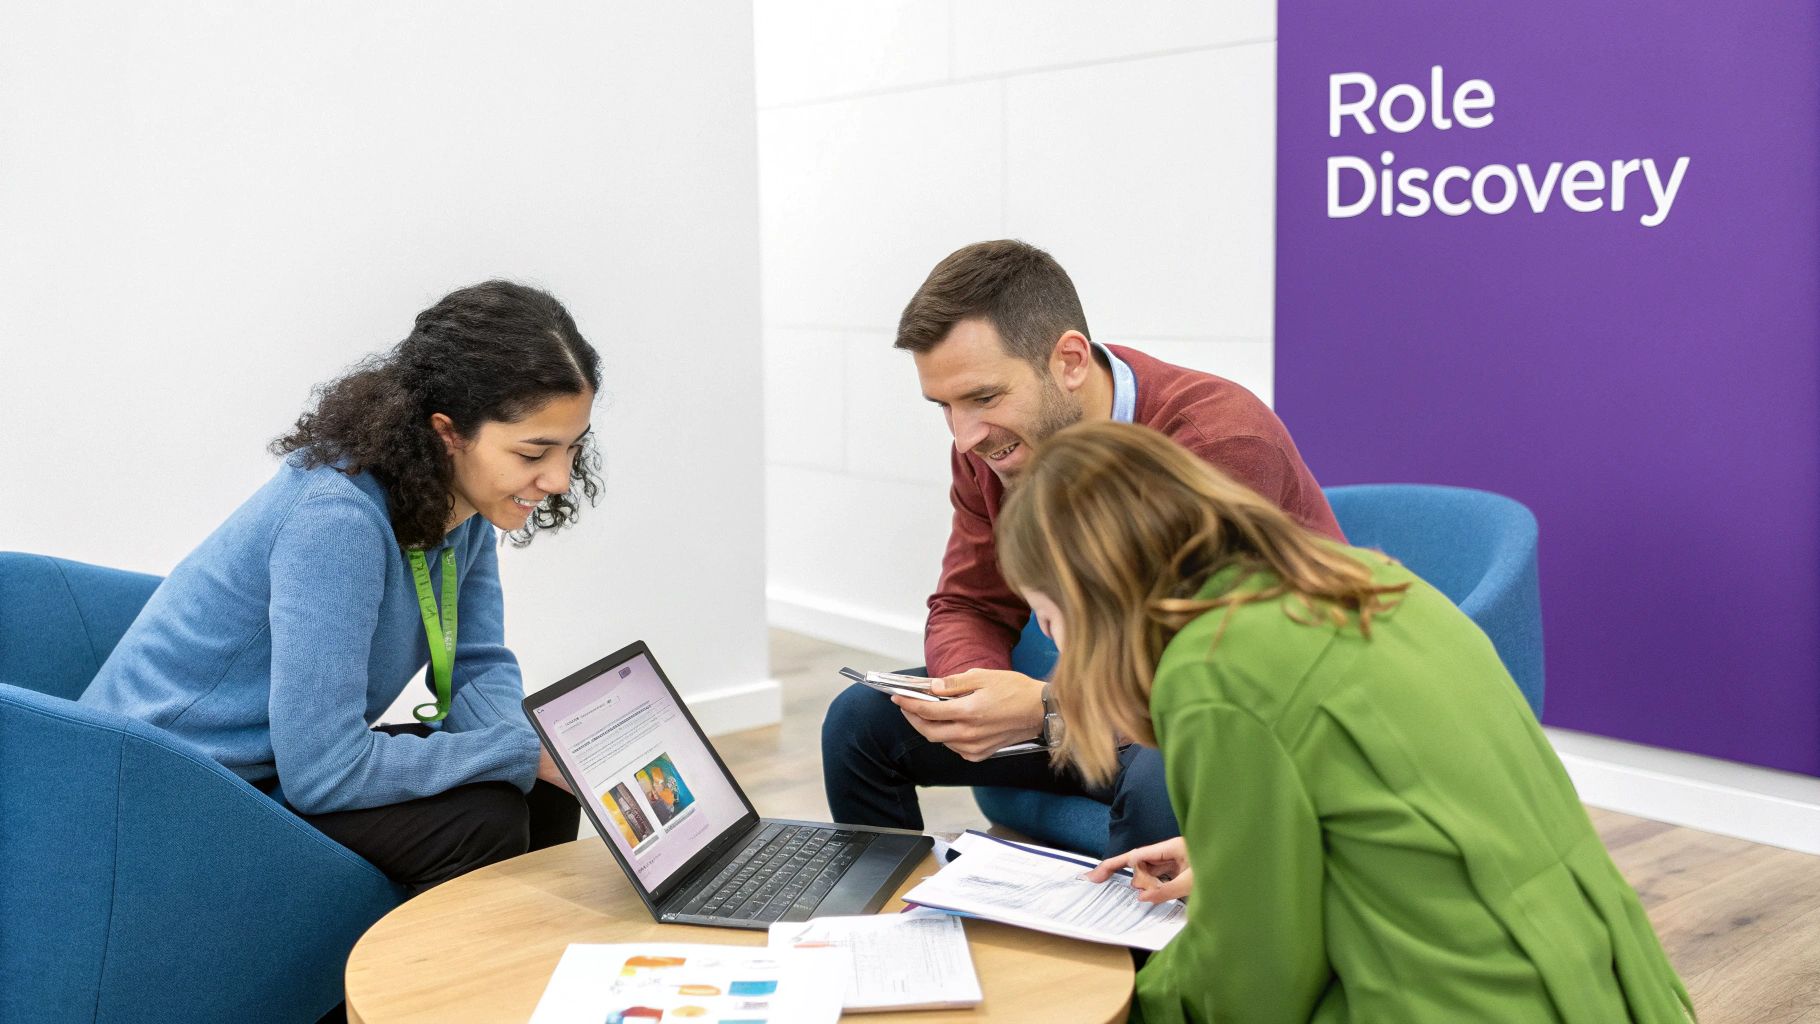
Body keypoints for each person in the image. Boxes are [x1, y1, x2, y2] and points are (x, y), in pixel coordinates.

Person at [996, 421, 1696, 1023]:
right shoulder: (1375, 580)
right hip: (1614, 983)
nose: (1056, 649)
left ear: (1093, 598)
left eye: (1051, 620)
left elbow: (1256, 982)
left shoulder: (1211, 669)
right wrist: (1226, 850)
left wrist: (1131, 1005)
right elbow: (1402, 817)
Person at [821, 239, 1344, 855]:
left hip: (1236, 717)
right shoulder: (996, 447)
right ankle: (889, 938)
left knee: (1163, 782)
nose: (964, 438)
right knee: (858, 725)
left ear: (1069, 360)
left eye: (985, 398)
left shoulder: (1215, 441)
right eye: (946, 406)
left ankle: (1141, 952)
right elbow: (971, 602)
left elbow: (1211, 667)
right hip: (1096, 704)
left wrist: (1047, 706)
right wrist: (976, 691)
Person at [83, 280, 599, 895]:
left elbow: (474, 663)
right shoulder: (337, 520)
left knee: (538, 786)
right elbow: (326, 771)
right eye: (534, 451)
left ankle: (513, 981)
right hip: (172, 788)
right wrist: (517, 753)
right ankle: (413, 991)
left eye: (572, 448)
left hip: (281, 758)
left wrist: (546, 748)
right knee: (483, 818)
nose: (560, 479)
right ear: (447, 432)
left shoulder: (463, 506)